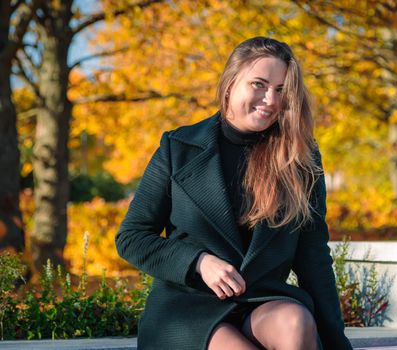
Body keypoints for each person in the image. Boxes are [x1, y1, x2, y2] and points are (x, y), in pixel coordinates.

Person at [116, 36, 353, 350]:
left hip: (262, 300)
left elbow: (313, 260)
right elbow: (132, 237)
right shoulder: (178, 147)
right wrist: (198, 262)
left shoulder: (299, 158)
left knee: (296, 323)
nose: (270, 99)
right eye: (259, 84)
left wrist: (338, 344)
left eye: (281, 90)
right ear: (230, 83)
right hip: (187, 307)